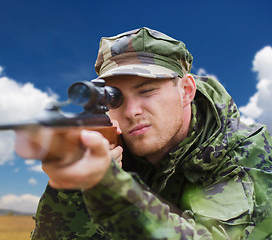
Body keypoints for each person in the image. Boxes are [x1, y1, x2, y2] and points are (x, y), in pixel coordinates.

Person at [18, 27, 272, 239]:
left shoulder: (246, 151)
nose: (131, 111)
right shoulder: (115, 147)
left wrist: (109, 186)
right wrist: (69, 189)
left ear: (186, 90)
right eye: (115, 98)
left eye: (146, 91)